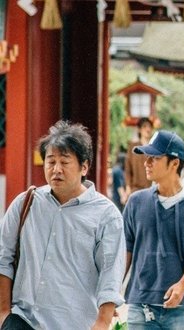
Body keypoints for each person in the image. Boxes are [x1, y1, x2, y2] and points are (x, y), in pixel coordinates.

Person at [0, 121, 126, 329]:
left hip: (74, 323)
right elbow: (4, 257)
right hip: (22, 320)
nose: (56, 169)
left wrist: (102, 323)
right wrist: (4, 313)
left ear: (84, 166)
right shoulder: (26, 202)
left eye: (64, 162)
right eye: (51, 161)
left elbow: (110, 274)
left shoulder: (106, 215)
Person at [123, 130, 184, 329]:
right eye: (146, 157)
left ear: (175, 163)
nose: (146, 163)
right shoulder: (136, 201)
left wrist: (182, 285)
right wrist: (111, 293)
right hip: (140, 303)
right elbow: (126, 249)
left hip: (181, 305)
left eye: (154, 158)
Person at [125, 117, 154, 196]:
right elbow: (128, 168)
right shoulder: (133, 147)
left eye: (149, 127)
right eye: (144, 126)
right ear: (139, 129)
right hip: (136, 189)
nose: (148, 129)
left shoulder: (155, 148)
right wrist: (128, 187)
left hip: (152, 189)